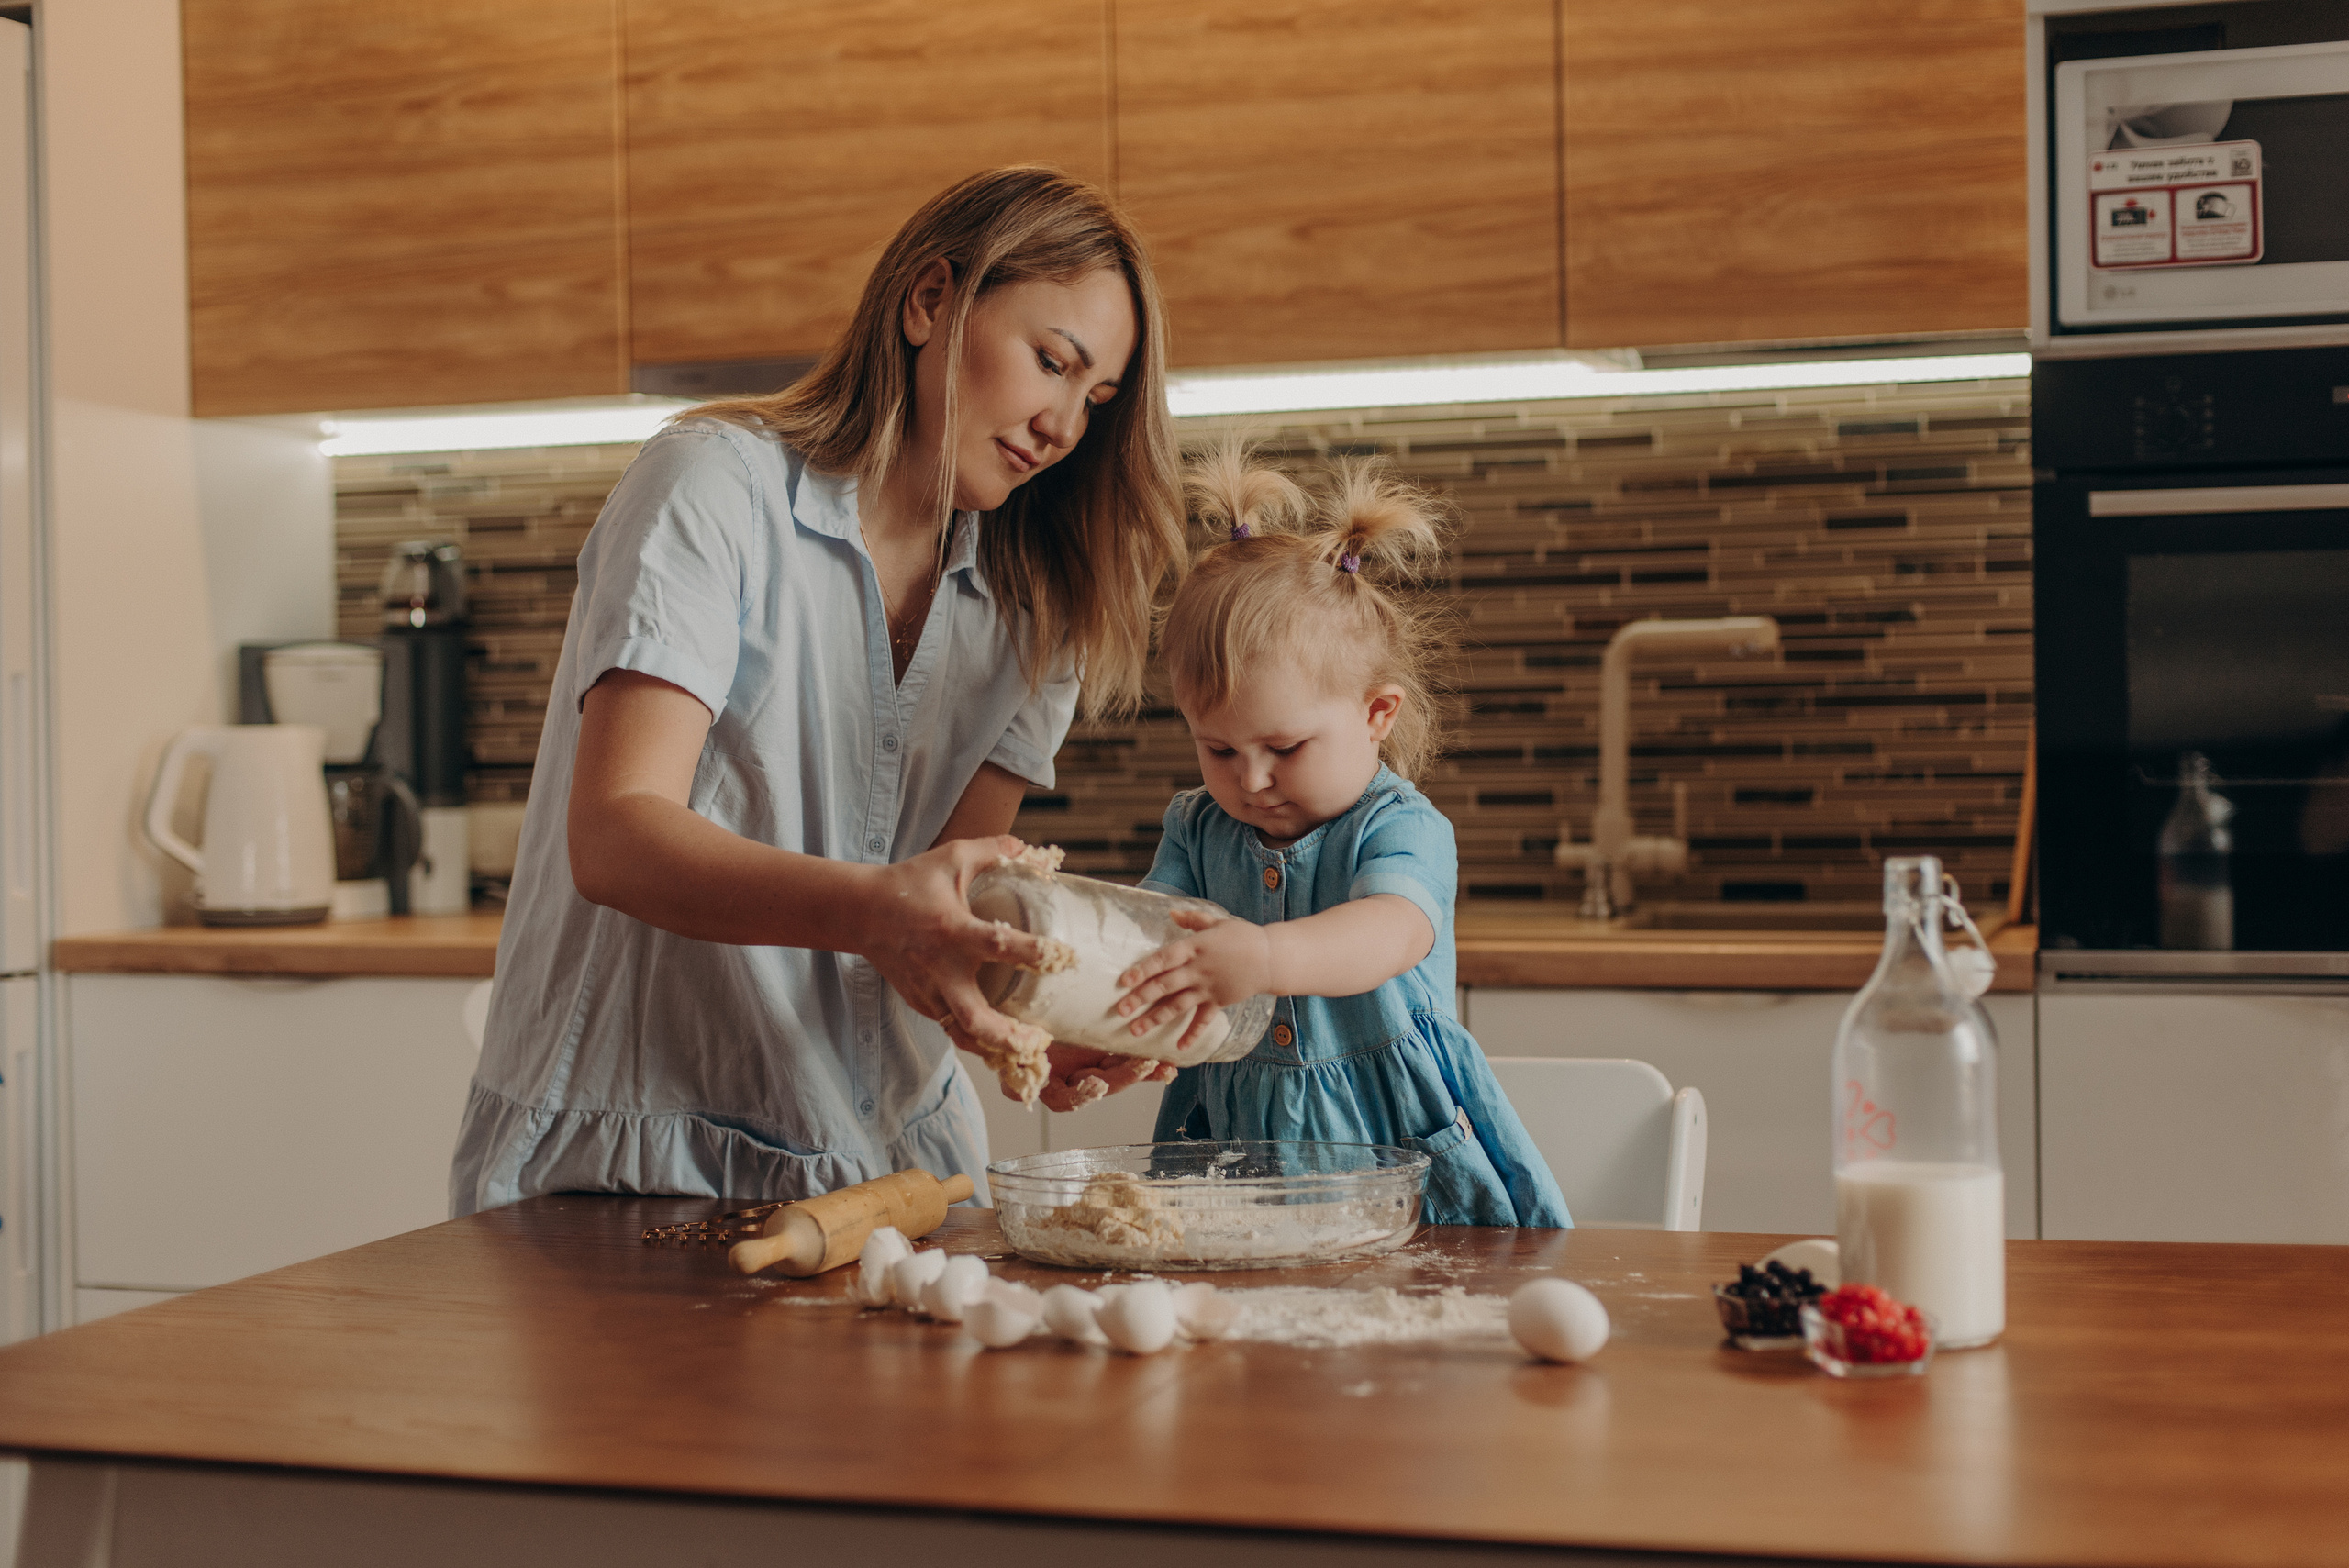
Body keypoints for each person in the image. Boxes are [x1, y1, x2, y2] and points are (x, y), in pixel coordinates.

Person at [451, 167, 1186, 1217]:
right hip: (634, 1162)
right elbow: (616, 834)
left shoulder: (1038, 603)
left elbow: (954, 907)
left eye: (1096, 397)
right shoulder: (713, 486)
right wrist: (880, 913)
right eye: (1051, 362)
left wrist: (1033, 1006)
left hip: (896, 1164)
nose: (1064, 422)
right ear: (929, 300)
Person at [1109, 449, 1571, 1227]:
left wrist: (1260, 957)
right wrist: (1114, 1007)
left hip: (1397, 1161)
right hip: (1235, 1155)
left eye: (1284, 749)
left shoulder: (1401, 827)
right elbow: (1146, 936)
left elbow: (1388, 932)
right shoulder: (1197, 825)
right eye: (1218, 748)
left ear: (1376, 714)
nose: (1250, 780)